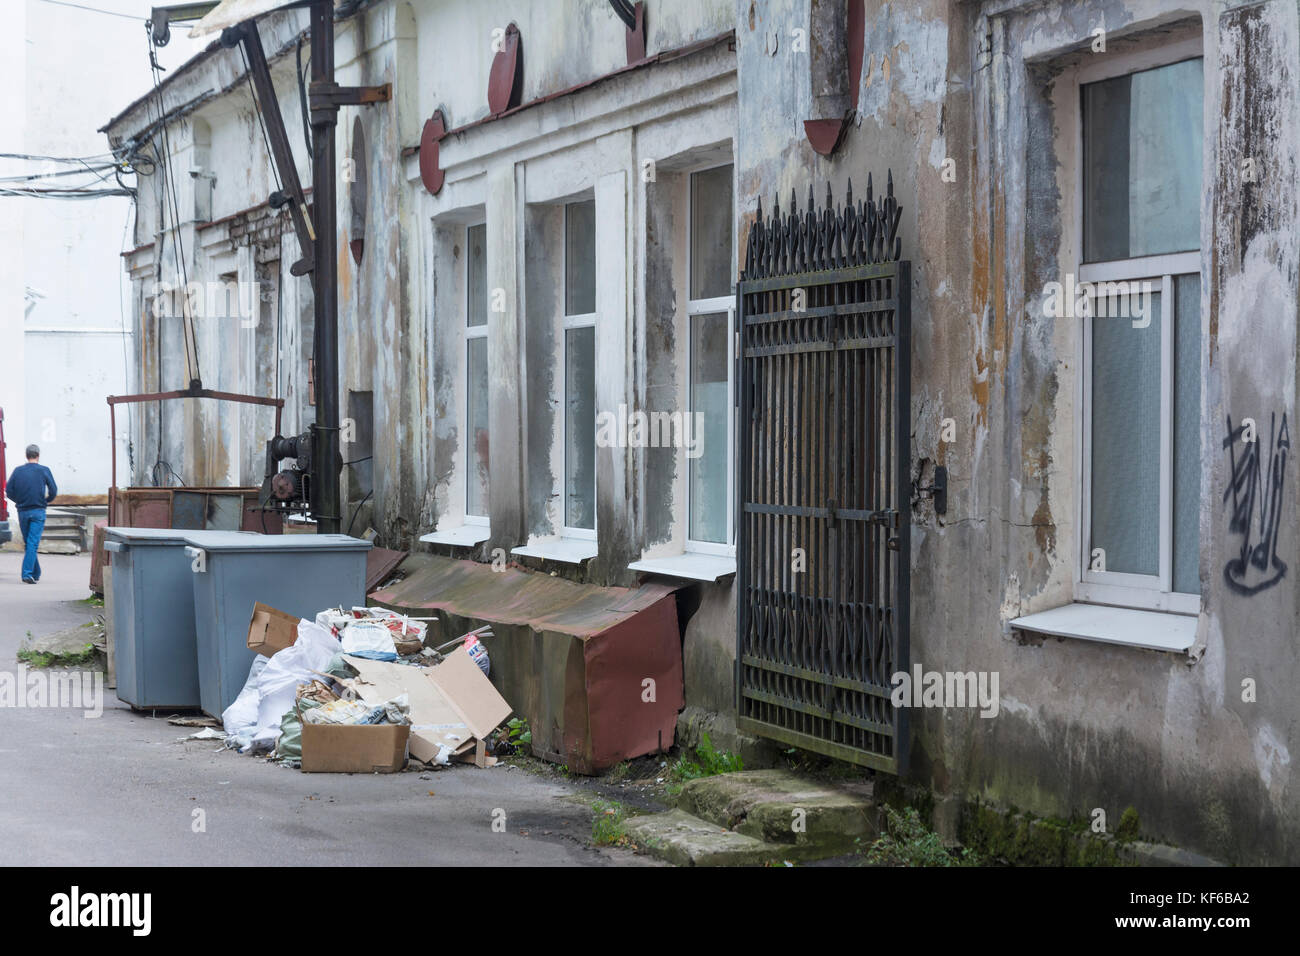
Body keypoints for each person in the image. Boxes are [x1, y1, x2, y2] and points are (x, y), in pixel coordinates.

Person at [5, 444, 57, 584]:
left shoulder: (18, 471)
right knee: (32, 543)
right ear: (38, 455)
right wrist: (45, 501)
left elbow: (9, 491)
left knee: (29, 543)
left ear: (26, 455)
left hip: (23, 511)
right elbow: (53, 490)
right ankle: (27, 574)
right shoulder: (44, 470)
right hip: (38, 511)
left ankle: (36, 572)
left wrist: (19, 500)